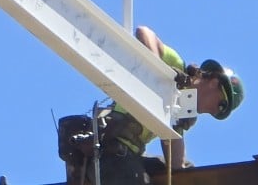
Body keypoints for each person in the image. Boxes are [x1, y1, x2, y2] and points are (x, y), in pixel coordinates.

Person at [83, 25, 245, 184]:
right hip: (110, 149)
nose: (213, 112)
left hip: (129, 153)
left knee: (187, 173)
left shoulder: (183, 110)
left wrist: (175, 126)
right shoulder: (175, 65)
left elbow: (175, 165)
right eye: (220, 105)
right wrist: (159, 76)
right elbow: (143, 32)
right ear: (215, 83)